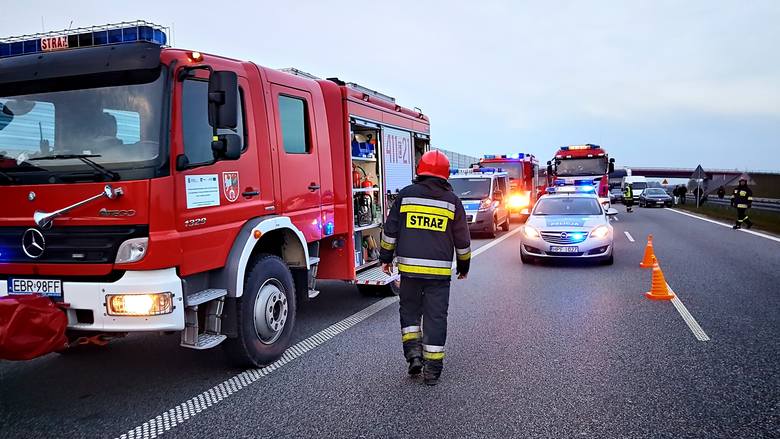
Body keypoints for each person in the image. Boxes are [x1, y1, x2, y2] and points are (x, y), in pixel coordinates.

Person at [379, 150, 471, 386]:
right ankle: (432, 370)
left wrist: (385, 258)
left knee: (409, 313)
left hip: (409, 272)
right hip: (438, 276)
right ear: (445, 174)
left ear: (420, 170)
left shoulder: (406, 195)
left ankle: (413, 356)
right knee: (435, 318)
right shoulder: (453, 201)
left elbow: (391, 230)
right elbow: (462, 240)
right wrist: (464, 267)